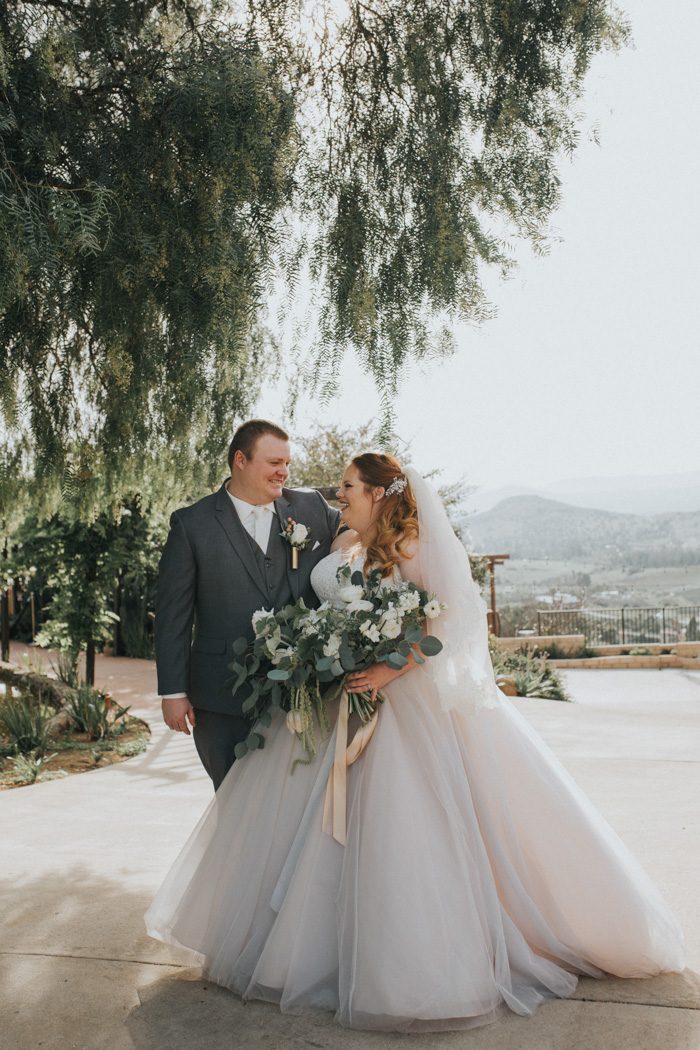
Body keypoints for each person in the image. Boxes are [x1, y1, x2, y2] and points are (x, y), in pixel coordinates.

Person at [146, 453, 685, 1033]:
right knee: (313, 828)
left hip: (400, 700)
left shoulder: (408, 547)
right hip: (339, 696)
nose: (338, 494)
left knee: (401, 824)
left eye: (349, 486)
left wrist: (385, 672)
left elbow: (441, 622)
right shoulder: (344, 535)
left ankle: (410, 965)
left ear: (378, 492)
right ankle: (311, 948)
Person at [154, 419, 340, 789]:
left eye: (287, 463)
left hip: (301, 691)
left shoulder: (310, 507)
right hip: (222, 695)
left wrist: (349, 538)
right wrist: (173, 692)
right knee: (233, 802)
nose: (284, 472)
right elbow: (172, 614)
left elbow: (358, 525)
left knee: (295, 805)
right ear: (241, 459)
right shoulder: (192, 524)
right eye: (274, 463)